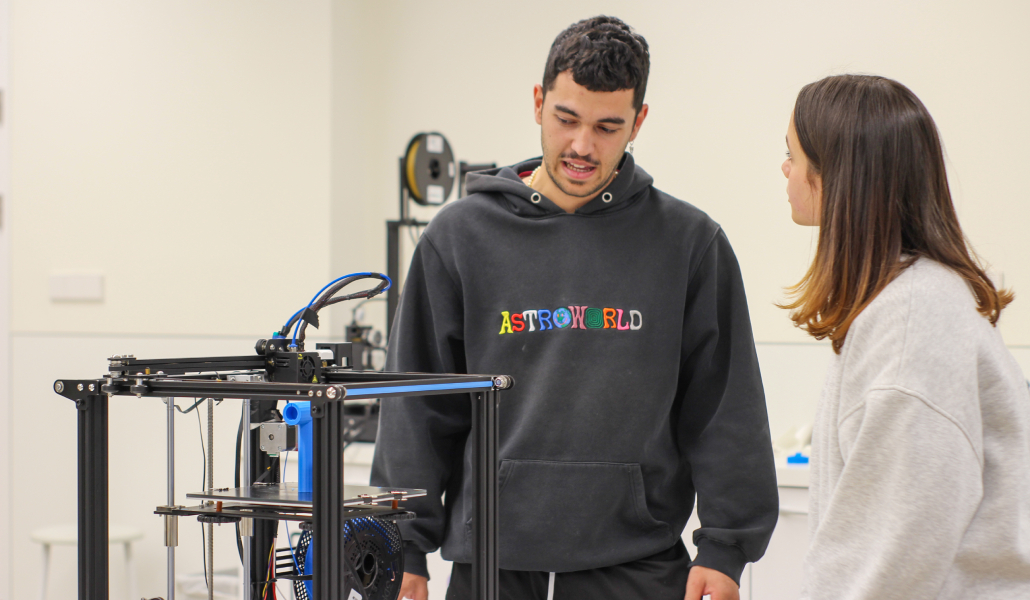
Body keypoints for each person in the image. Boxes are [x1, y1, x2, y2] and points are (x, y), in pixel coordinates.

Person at [372, 16, 778, 600]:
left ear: (638, 121)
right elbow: (417, 405)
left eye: (607, 127)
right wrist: (402, 546)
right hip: (491, 569)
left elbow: (725, 406)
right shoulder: (459, 238)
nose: (583, 146)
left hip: (638, 567)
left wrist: (725, 547)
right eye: (567, 119)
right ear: (539, 103)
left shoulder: (688, 244)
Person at [779, 74, 1030, 599]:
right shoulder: (903, 304)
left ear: (836, 176)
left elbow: (893, 563)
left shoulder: (913, 322)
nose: (785, 169)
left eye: (792, 155)